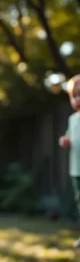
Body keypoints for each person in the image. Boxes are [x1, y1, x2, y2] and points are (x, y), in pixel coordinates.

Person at [59, 74, 80, 247]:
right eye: (74, 96)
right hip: (76, 169)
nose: (77, 99)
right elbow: (68, 136)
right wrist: (64, 141)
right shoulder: (72, 120)